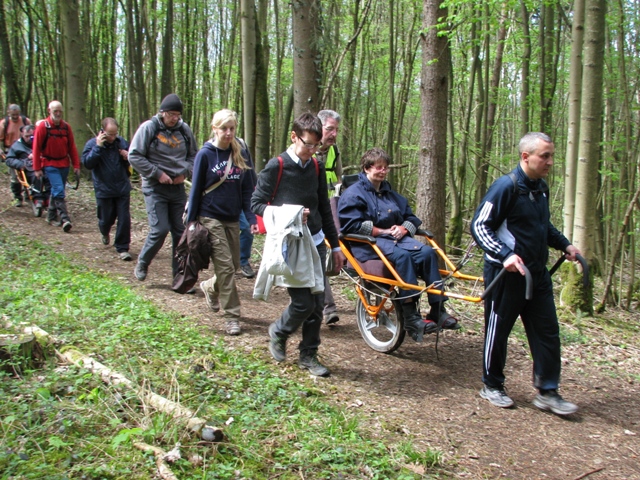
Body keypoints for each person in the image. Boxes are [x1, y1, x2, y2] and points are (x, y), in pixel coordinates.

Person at [471, 132, 581, 416]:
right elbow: (480, 226)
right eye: (545, 156)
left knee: (547, 332)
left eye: (551, 156)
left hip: (537, 274)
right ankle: (491, 385)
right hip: (505, 275)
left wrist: (565, 245)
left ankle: (548, 391)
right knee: (498, 332)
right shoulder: (505, 187)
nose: (550, 162)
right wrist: (505, 255)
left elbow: (543, 226)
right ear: (525, 157)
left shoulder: (540, 188)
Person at [251, 113, 344, 377]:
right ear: (294, 137)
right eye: (308, 145)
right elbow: (256, 203)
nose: (312, 151)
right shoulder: (277, 165)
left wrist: (335, 246)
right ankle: (278, 331)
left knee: (316, 306)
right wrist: (290, 213)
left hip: (316, 242)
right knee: (303, 304)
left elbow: (324, 207)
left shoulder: (315, 166)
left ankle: (308, 355)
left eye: (317, 146)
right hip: (291, 244)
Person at [338, 147, 459, 343]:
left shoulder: (389, 192)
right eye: (379, 168)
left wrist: (404, 229)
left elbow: (410, 216)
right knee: (403, 257)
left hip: (397, 240)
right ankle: (411, 317)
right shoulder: (353, 194)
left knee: (428, 253)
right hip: (368, 245)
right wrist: (382, 231)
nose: (384, 171)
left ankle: (438, 310)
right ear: (367, 168)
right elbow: (351, 226)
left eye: (386, 168)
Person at [185, 109, 259, 335]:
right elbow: (196, 188)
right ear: (214, 129)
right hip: (210, 216)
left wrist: (252, 217)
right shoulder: (205, 155)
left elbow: (247, 189)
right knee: (226, 268)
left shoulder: (240, 152)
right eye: (224, 129)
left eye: (232, 128)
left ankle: (210, 286)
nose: (228, 133)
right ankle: (232, 316)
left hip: (233, 217)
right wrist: (191, 221)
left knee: (235, 264)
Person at [128, 93, 197, 283]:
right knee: (159, 229)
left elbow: (194, 156)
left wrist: (185, 173)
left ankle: (179, 275)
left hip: (177, 188)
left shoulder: (184, 130)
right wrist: (158, 174)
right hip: (154, 187)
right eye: (171, 114)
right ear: (162, 112)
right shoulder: (149, 128)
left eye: (178, 115)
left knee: (180, 232)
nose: (174, 118)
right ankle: (143, 262)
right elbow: (134, 156)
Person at [81, 118, 133, 261]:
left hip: (122, 187)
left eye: (115, 134)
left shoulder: (121, 143)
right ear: (102, 131)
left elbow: (134, 160)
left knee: (124, 218)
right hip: (104, 189)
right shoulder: (92, 144)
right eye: (110, 134)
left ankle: (122, 247)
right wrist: (98, 147)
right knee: (106, 218)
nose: (113, 137)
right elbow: (87, 163)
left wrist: (127, 157)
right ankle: (104, 231)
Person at [33, 100, 80, 233]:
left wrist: (76, 165)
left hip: (64, 164)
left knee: (56, 190)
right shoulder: (43, 126)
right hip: (49, 163)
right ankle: (65, 218)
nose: (58, 113)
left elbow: (72, 147)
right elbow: (36, 148)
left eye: (60, 111)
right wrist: (37, 168)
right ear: (49, 111)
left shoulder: (66, 127)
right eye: (55, 111)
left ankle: (51, 215)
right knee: (59, 189)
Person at [315, 109, 343, 325]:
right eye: (330, 129)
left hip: (331, 210)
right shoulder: (307, 150)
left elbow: (339, 180)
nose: (333, 134)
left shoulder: (335, 152)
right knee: (316, 257)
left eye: (336, 130)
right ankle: (327, 307)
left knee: (330, 258)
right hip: (309, 212)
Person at [5, 124, 49, 216]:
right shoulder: (16, 146)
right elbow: (9, 159)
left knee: (50, 176)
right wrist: (22, 164)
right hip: (28, 169)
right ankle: (38, 199)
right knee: (37, 176)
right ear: (22, 134)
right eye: (27, 136)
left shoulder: (41, 142)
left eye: (32, 136)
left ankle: (49, 199)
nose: (29, 138)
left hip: (44, 166)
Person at [1, 104, 32, 207]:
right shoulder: (4, 124)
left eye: (17, 114)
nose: (15, 116)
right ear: (8, 113)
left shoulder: (25, 121)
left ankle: (30, 194)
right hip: (10, 150)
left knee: (29, 172)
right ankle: (18, 197)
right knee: (15, 176)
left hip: (24, 150)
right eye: (13, 114)